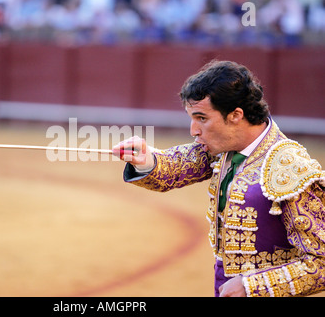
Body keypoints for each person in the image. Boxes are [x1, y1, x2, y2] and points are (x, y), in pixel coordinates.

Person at [112, 60, 325, 297]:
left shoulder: (292, 169)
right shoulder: (224, 147)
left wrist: (251, 286)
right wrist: (145, 159)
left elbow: (322, 265)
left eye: (202, 118)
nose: (193, 130)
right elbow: (178, 166)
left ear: (235, 115)